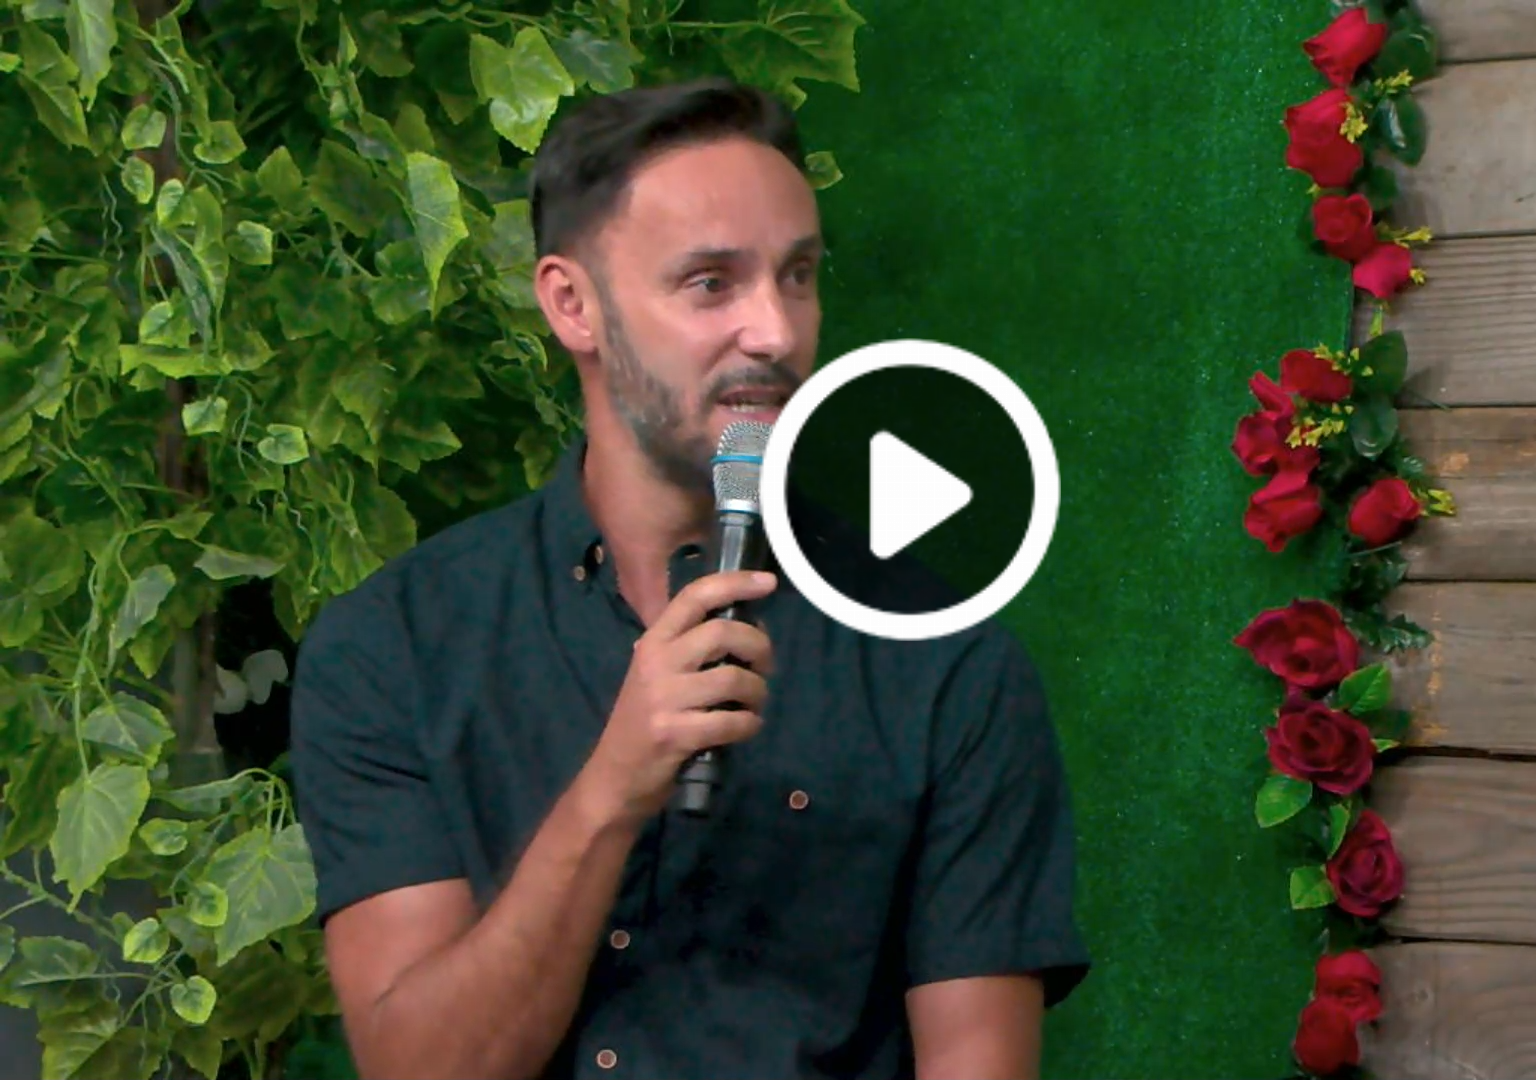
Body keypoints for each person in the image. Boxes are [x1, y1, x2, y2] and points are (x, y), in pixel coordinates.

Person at [287, 77, 1090, 1080]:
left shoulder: (945, 661)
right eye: (711, 283)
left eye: (798, 276)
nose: (776, 331)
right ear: (572, 304)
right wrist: (611, 791)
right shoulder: (395, 646)